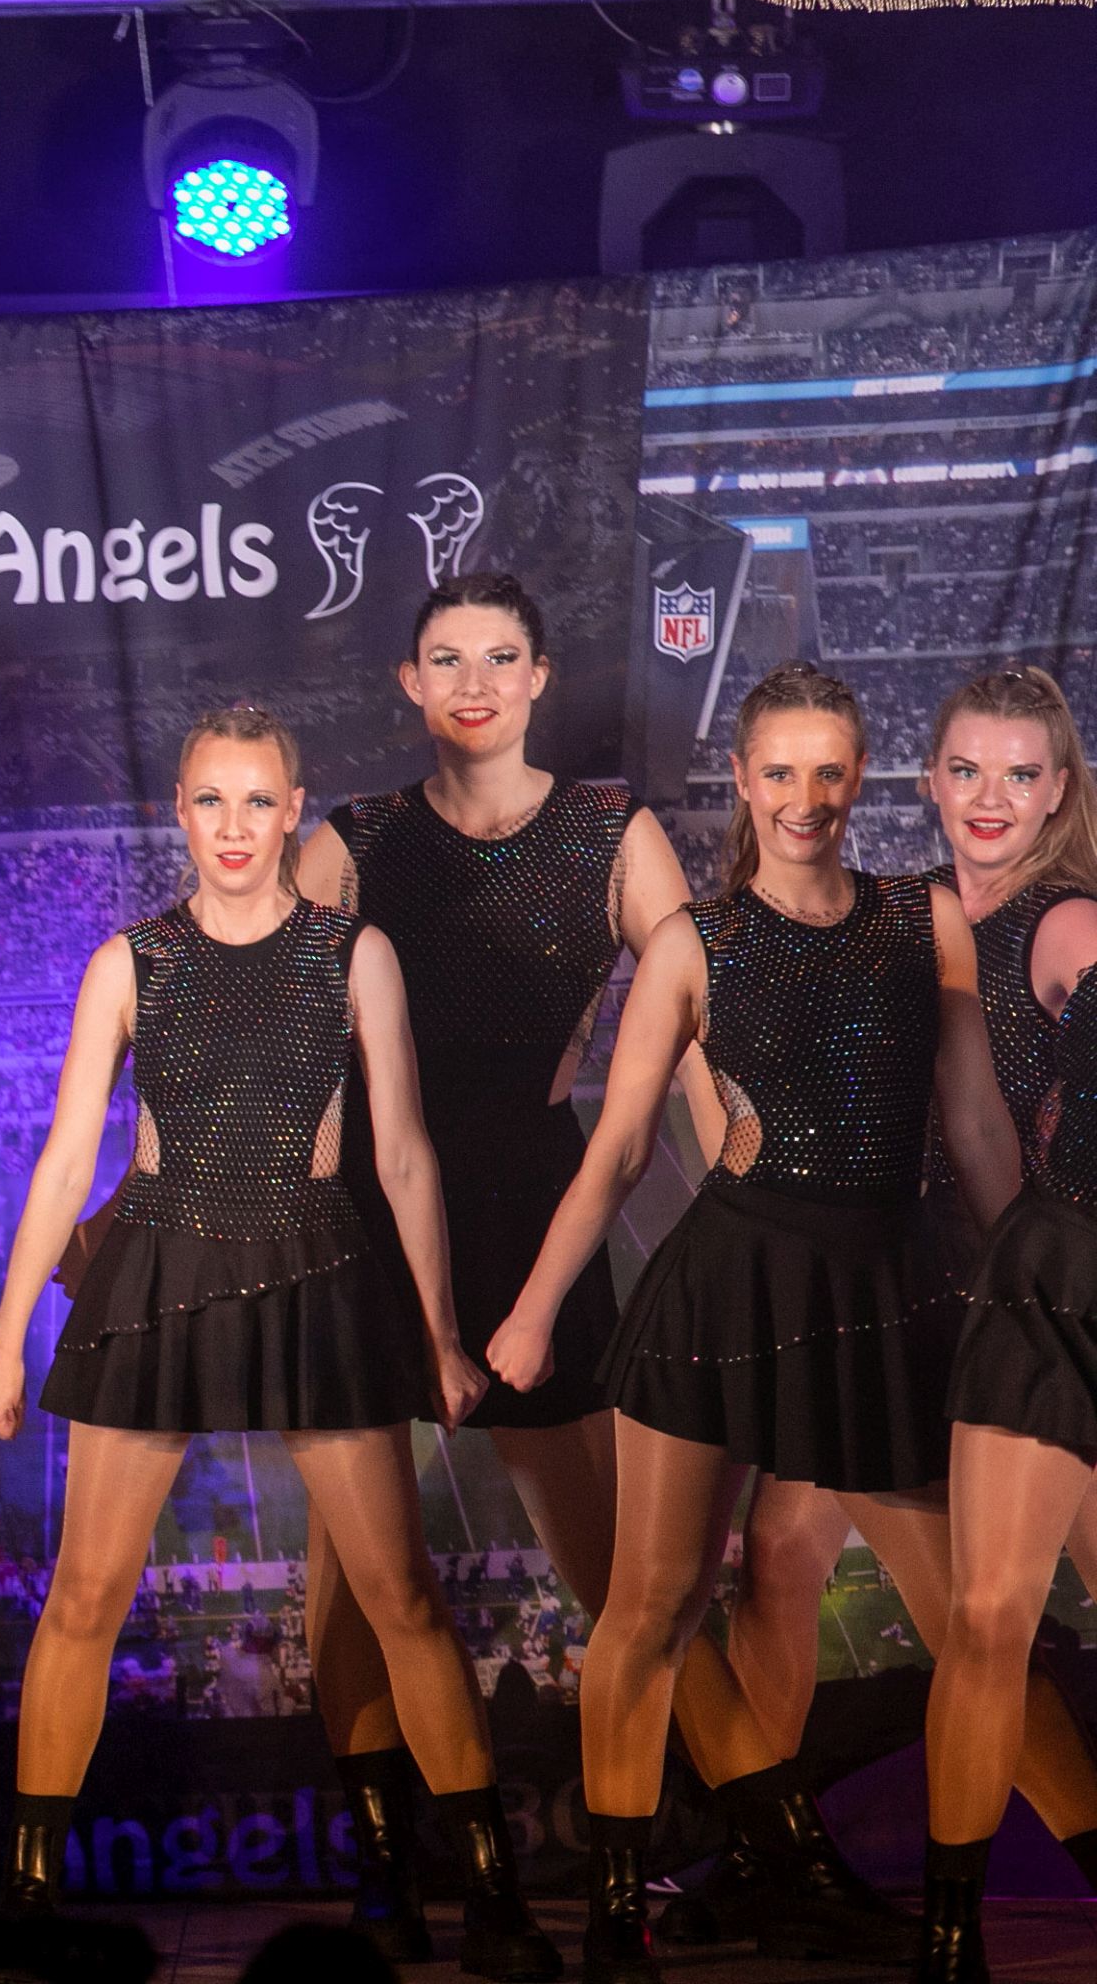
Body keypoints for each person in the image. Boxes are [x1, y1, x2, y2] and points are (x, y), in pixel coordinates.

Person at [486, 661, 1097, 1984]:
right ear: (743, 780)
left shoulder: (923, 918)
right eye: (779, 772)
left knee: (972, 1619)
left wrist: (1030, 1292)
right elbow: (620, 1146)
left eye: (828, 771)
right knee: (651, 1608)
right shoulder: (690, 941)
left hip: (877, 1298)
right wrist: (533, 1311)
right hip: (728, 1290)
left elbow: (981, 1131)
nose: (805, 797)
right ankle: (617, 1914)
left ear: (861, 777)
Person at [0, 704, 558, 1984]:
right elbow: (66, 1159)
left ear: (293, 810)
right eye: (208, 800)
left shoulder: (355, 952)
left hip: (315, 1269)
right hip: (158, 1270)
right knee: (83, 1597)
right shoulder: (128, 960)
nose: (232, 825)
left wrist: (443, 1334)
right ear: (176, 812)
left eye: (255, 800)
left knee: (401, 1597)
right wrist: (6, 1337)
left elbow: (404, 1155)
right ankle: (26, 1903)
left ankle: (492, 1894)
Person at [294, 576, 806, 1955]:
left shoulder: (607, 832)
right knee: (351, 1564)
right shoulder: (350, 842)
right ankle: (388, 1868)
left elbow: (697, 1016)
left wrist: (745, 1171)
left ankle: (777, 1843)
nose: (474, 681)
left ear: (538, 676)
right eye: (447, 657)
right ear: (410, 682)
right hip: (365, 1208)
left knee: (622, 1572)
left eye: (500, 656)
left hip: (534, 1200)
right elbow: (259, 1026)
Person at [914, 665, 1097, 1982]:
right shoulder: (906, 915)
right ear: (931, 780)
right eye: (970, 769)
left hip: (1054, 1282)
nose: (992, 797)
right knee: (983, 1619)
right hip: (963, 1292)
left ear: (1060, 790)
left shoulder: (1066, 919)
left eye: (1021, 773)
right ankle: (947, 1939)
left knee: (985, 1618)